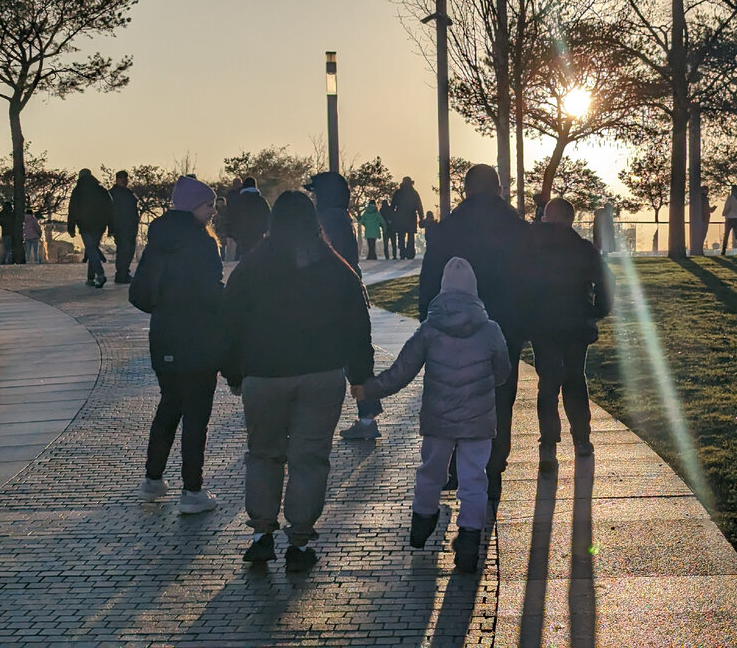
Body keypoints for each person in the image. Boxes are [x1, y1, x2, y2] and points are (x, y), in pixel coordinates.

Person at [221, 191, 373, 572]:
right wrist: (361, 377)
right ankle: (300, 539)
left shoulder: (252, 266)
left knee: (263, 454)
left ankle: (260, 534)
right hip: (321, 375)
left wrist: (233, 372)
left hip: (264, 375)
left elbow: (228, 324)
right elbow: (357, 325)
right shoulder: (336, 268)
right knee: (309, 459)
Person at [351, 257, 510, 574]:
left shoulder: (429, 330)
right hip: (478, 419)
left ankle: (422, 523)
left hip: (438, 419)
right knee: (474, 479)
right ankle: (468, 540)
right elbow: (503, 373)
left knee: (431, 472)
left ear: (443, 290)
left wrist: (370, 389)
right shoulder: (490, 330)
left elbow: (402, 372)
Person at [419, 164, 531, 501]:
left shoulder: (447, 229)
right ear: (498, 189)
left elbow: (429, 283)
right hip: (504, 326)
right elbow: (534, 282)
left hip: (452, 328)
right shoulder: (519, 229)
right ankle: (493, 465)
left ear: (466, 190)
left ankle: (456, 465)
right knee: (500, 396)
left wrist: (428, 322)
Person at [129, 176, 224, 515]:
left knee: (169, 406)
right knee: (197, 415)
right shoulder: (202, 243)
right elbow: (213, 293)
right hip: (198, 338)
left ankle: (152, 481)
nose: (213, 211)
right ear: (192, 206)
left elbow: (138, 293)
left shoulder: (157, 240)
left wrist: (165, 309)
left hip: (164, 336)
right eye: (207, 205)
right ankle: (192, 490)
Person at [528, 199, 613, 474]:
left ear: (548, 217)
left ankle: (548, 445)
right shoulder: (583, 249)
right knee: (575, 378)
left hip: (543, 324)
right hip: (576, 324)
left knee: (548, 383)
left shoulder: (533, 249)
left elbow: (520, 284)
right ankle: (582, 439)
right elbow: (606, 284)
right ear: (571, 220)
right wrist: (595, 311)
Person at [306, 171, 385, 441]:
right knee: (357, 357)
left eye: (315, 192)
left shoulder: (327, 220)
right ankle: (367, 416)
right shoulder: (341, 218)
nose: (313, 197)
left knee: (339, 360)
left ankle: (361, 418)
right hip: (349, 294)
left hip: (334, 298)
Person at [67, 169, 113, 287]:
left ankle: (100, 274)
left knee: (91, 249)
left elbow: (72, 210)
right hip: (100, 225)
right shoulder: (101, 190)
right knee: (92, 249)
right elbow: (110, 209)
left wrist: (71, 227)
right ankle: (90, 278)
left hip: (85, 225)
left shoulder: (78, 191)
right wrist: (110, 227)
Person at [109, 170, 140, 283]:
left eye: (125, 178)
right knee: (124, 251)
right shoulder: (113, 194)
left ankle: (124, 272)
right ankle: (121, 274)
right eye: (121, 178)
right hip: (121, 226)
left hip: (130, 226)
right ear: (117, 179)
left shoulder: (128, 193)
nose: (124, 180)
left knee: (129, 250)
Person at [230, 177, 270, 259]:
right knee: (258, 254)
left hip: (242, 233)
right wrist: (264, 229)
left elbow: (232, 216)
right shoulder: (261, 200)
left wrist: (233, 232)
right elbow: (268, 216)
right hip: (258, 232)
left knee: (244, 254)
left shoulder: (238, 201)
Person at [391, 177, 423, 259]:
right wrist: (421, 218)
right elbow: (419, 207)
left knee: (401, 236)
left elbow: (393, 206)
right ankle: (410, 253)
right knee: (411, 236)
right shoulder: (414, 193)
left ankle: (402, 252)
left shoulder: (398, 193)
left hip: (400, 217)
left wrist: (392, 217)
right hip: (411, 217)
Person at [721, 185, 737, 255]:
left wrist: (724, 213)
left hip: (729, 218)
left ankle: (723, 250)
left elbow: (727, 207)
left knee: (726, 235)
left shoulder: (730, 198)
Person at [212, 196, 230, 261]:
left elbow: (228, 221)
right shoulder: (214, 211)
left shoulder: (226, 211)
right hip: (215, 231)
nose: (220, 204)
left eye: (221, 203)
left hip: (223, 232)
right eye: (219, 203)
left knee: (223, 247)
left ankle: (222, 259)